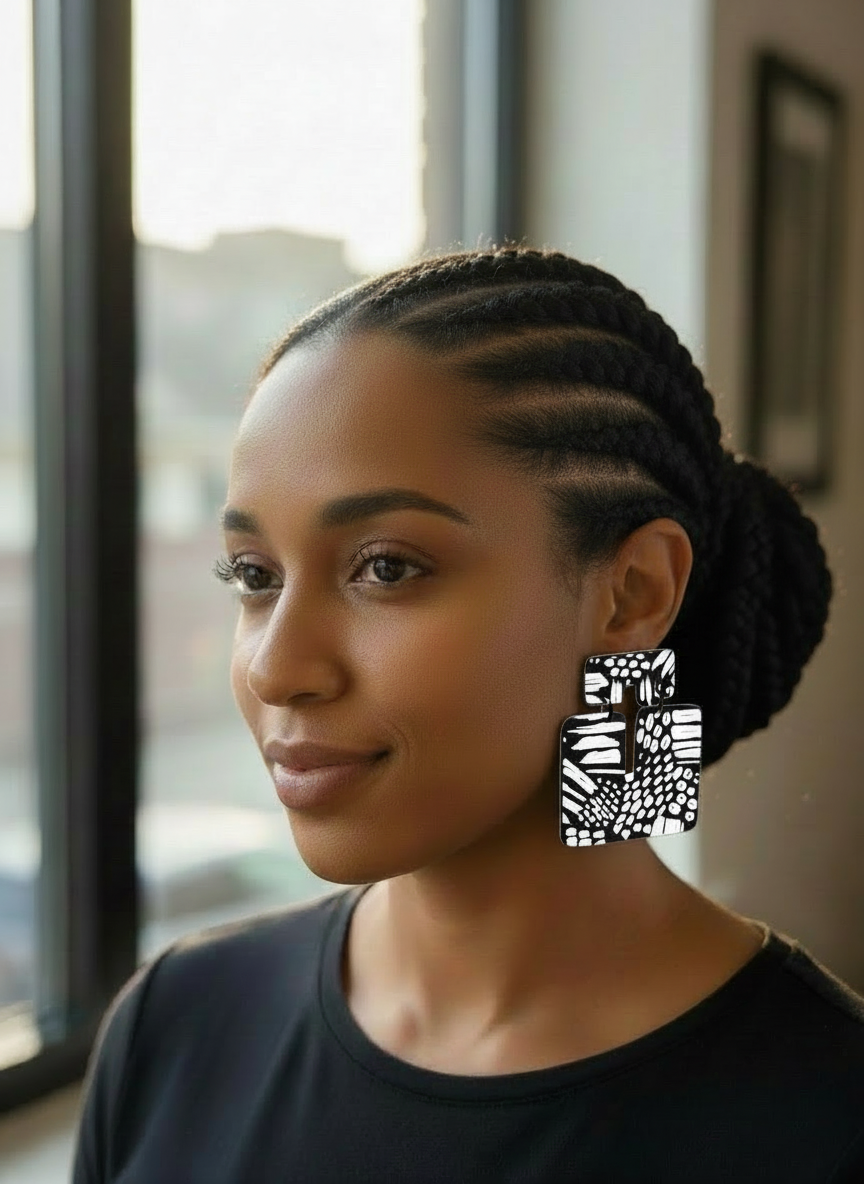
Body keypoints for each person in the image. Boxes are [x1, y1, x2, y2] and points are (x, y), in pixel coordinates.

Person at [71, 246, 864, 1183]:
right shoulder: (176, 1026)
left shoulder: (832, 1121)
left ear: (633, 595)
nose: (277, 667)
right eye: (254, 576)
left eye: (387, 567)